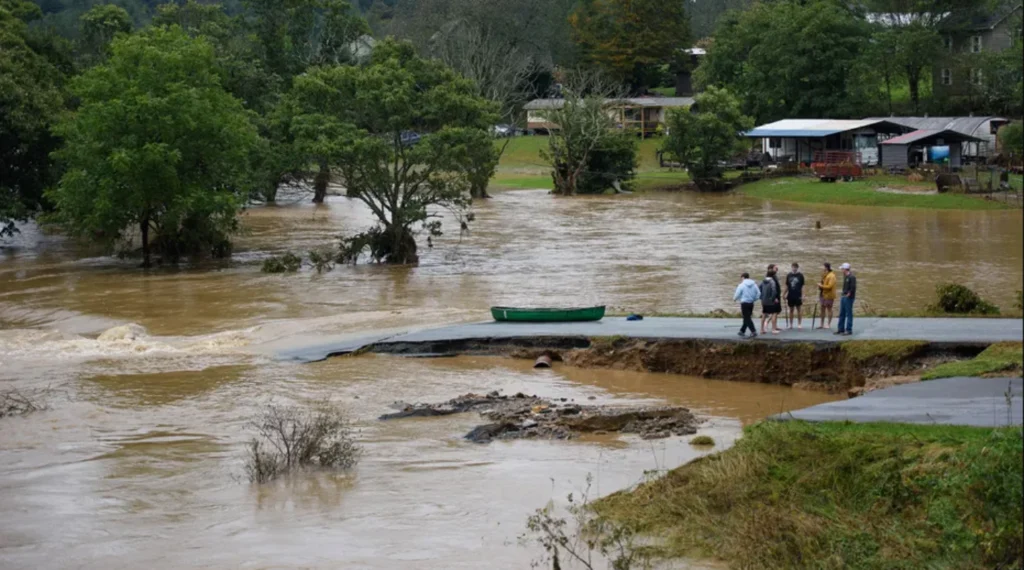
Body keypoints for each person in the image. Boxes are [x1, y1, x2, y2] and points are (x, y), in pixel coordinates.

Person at [733, 272, 761, 337]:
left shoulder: (741, 285)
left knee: (747, 318)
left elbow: (737, 293)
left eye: (741, 278)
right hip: (751, 303)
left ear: (743, 277)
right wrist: (754, 299)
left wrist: (734, 299)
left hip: (744, 303)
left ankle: (753, 331)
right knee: (747, 317)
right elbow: (759, 293)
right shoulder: (754, 284)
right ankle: (742, 331)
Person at [760, 265, 782, 334]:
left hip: (764, 300)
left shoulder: (763, 281)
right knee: (774, 313)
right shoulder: (772, 281)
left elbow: (759, 289)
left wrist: (761, 297)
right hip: (771, 300)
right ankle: (773, 329)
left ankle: (761, 329)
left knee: (764, 314)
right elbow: (774, 291)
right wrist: (773, 298)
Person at [836, 262, 857, 335]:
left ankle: (849, 329)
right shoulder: (845, 276)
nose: (841, 270)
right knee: (842, 313)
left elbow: (853, 287)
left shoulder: (852, 277)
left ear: (845, 269)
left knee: (849, 313)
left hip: (849, 297)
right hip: (843, 296)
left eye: (842, 269)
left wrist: (849, 293)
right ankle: (840, 329)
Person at [817, 262, 837, 330]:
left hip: (829, 295)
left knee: (829, 309)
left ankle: (828, 324)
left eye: (823, 267)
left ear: (826, 267)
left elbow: (830, 286)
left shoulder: (832, 276)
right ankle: (821, 324)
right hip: (822, 294)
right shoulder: (824, 274)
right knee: (822, 309)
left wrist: (821, 286)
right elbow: (822, 282)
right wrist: (820, 286)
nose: (822, 268)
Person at [785, 262, 805, 329]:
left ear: (797, 268)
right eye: (793, 267)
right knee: (791, 310)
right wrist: (784, 294)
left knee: (799, 309)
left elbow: (803, 286)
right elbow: (787, 286)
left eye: (795, 267)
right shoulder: (789, 275)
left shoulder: (800, 275)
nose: (794, 268)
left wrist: (803, 295)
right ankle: (791, 324)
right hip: (790, 295)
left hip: (798, 295)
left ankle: (799, 324)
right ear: (791, 267)